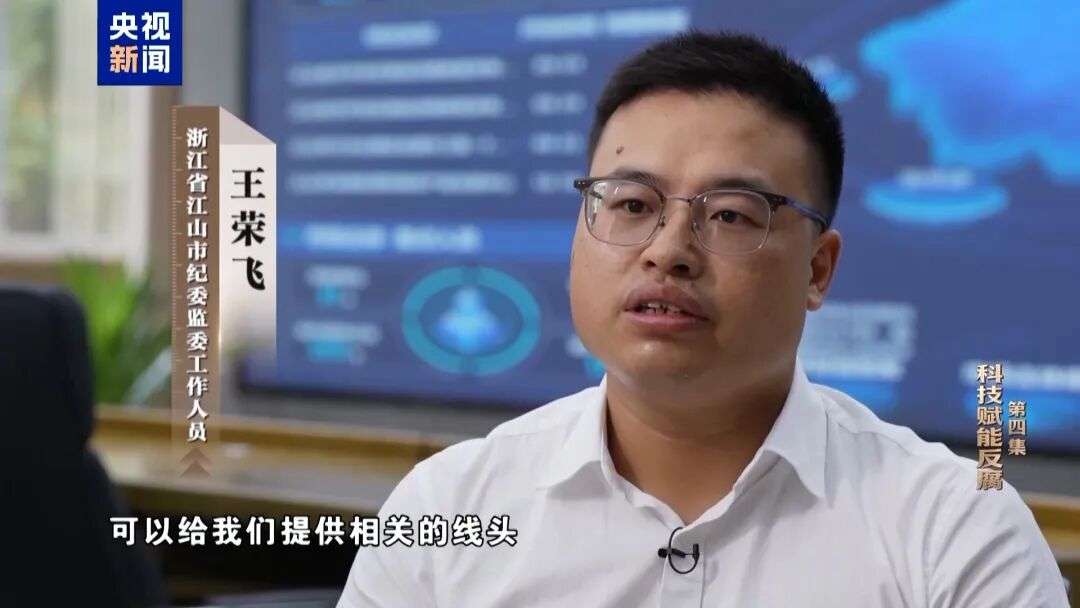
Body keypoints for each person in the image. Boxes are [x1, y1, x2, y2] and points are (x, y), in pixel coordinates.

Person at [337, 31, 1069, 607]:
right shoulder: (449, 506)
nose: (668, 251)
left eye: (730, 215)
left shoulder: (956, 528)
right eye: (631, 204)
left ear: (818, 270)